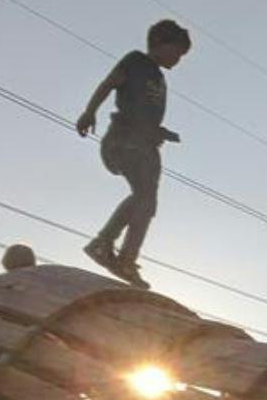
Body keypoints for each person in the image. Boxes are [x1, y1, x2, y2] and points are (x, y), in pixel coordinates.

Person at [75, 19, 192, 287]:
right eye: (177, 52)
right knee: (145, 197)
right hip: (124, 139)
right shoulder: (136, 61)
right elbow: (109, 83)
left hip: (145, 143)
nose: (178, 59)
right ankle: (114, 251)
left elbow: (143, 111)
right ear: (160, 43)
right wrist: (89, 111)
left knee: (146, 201)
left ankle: (113, 249)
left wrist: (160, 132)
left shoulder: (159, 77)